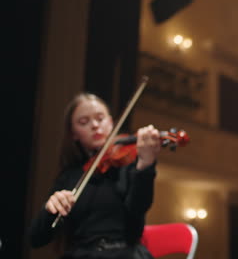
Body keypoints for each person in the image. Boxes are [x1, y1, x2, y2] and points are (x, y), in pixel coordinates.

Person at [30, 93, 159, 259]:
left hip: (125, 254)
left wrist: (145, 166)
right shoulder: (71, 176)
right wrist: (49, 210)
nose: (95, 125)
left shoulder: (128, 166)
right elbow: (36, 239)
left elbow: (138, 207)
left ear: (111, 123)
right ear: (73, 133)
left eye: (100, 118)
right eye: (84, 122)